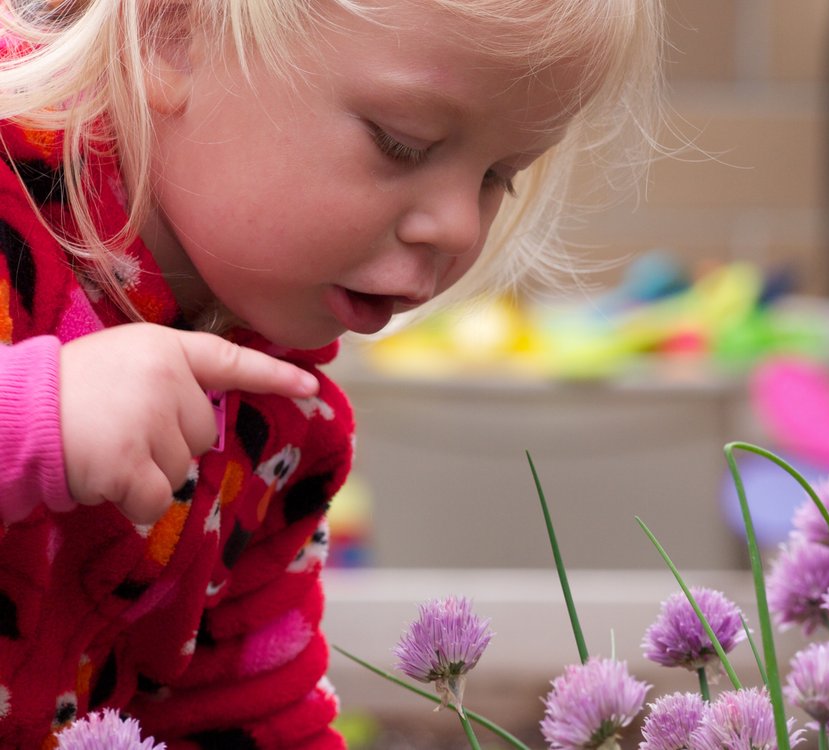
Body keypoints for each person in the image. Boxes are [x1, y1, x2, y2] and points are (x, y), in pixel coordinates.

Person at [0, 0, 667, 746]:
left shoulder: (274, 403)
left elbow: (243, 713)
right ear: (172, 33)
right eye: (402, 143)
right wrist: (31, 417)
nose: (459, 227)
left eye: (497, 177)